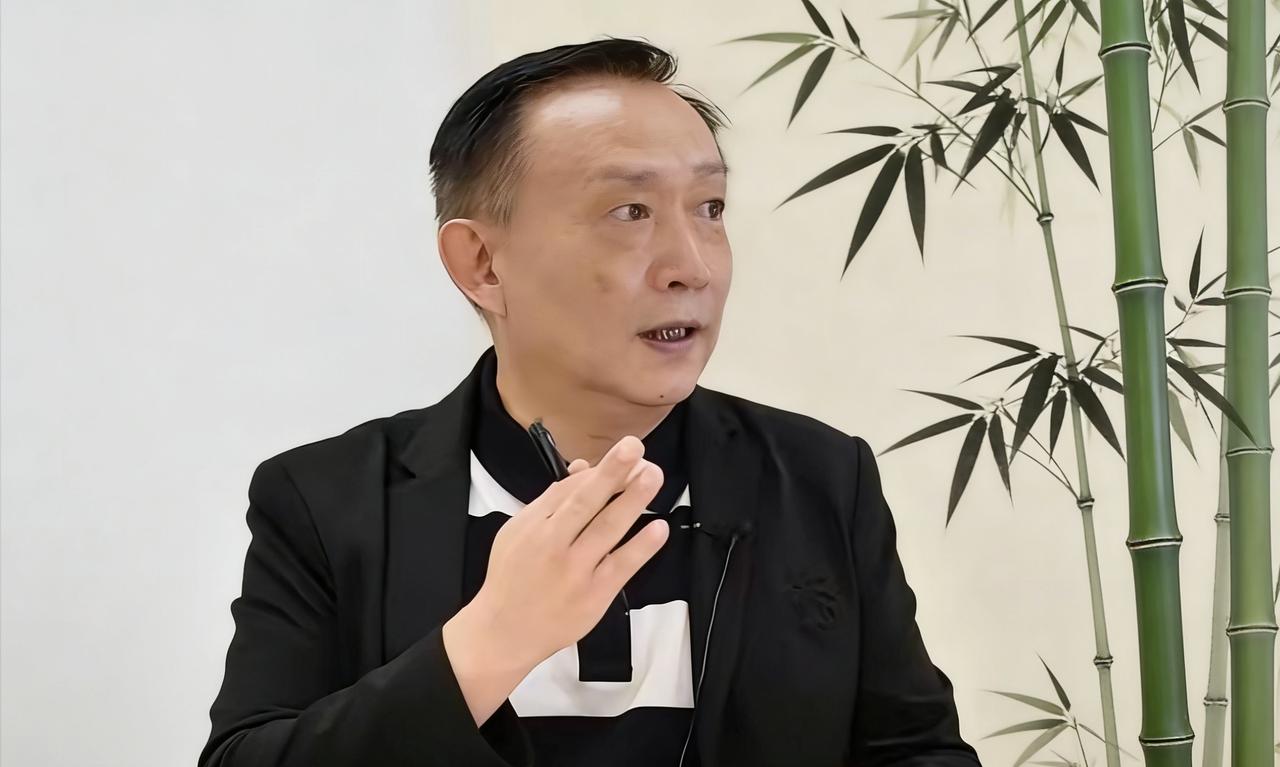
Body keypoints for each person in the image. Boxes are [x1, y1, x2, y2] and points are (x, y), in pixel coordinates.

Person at [199, 37, 982, 767]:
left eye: (710, 208)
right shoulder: (326, 501)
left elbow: (917, 752)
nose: (692, 266)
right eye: (630, 212)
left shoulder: (818, 478)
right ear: (482, 264)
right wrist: (490, 641)